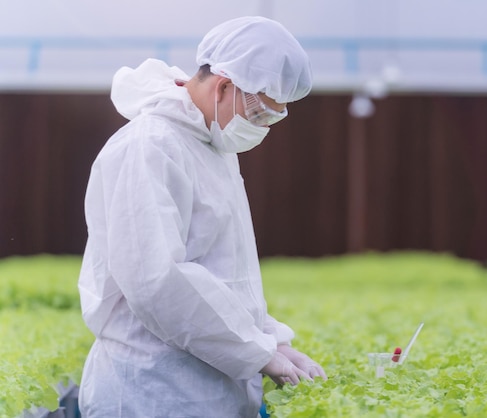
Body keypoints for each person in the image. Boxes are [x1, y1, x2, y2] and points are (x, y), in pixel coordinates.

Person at [77, 16, 327, 418]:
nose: (262, 129)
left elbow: (224, 274)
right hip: (152, 394)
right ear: (225, 85)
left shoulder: (210, 147)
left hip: (203, 394)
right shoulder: (150, 146)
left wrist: (272, 340)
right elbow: (157, 281)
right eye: (261, 115)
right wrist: (256, 352)